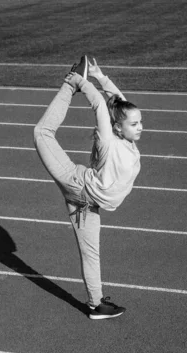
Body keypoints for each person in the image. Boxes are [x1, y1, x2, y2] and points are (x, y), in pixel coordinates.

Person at [33, 55, 143, 320]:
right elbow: (99, 106)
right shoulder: (108, 139)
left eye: (140, 122)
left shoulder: (123, 135)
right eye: (135, 124)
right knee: (42, 133)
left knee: (90, 254)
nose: (141, 127)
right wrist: (80, 82)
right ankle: (67, 85)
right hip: (76, 183)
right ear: (118, 127)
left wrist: (100, 76)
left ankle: (96, 305)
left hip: (87, 203)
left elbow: (119, 104)